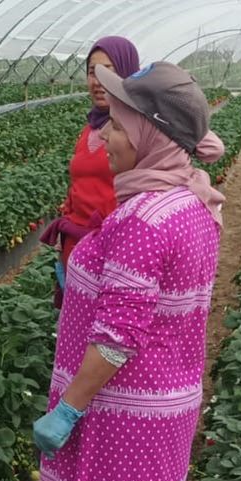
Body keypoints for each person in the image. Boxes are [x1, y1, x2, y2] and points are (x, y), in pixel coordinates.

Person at [30, 62, 225, 481]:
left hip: (127, 409)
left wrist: (69, 410)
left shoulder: (144, 220)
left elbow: (115, 338)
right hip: (169, 401)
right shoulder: (193, 200)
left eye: (117, 125)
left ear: (150, 133)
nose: (105, 137)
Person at [39, 36, 141, 303]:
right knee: (76, 332)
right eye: (92, 72)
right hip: (76, 248)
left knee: (107, 335)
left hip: (116, 254)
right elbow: (79, 185)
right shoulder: (89, 129)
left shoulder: (139, 130)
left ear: (129, 74)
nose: (98, 81)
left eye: (109, 70)